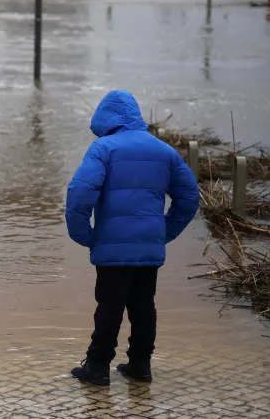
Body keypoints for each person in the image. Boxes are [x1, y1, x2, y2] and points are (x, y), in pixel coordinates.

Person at [65, 90, 200, 386]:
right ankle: (140, 365)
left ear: (105, 119)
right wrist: (164, 232)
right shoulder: (164, 151)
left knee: (109, 307)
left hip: (112, 249)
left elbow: (80, 192)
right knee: (143, 306)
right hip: (149, 249)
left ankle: (97, 367)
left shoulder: (103, 149)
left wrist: (84, 235)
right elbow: (190, 197)